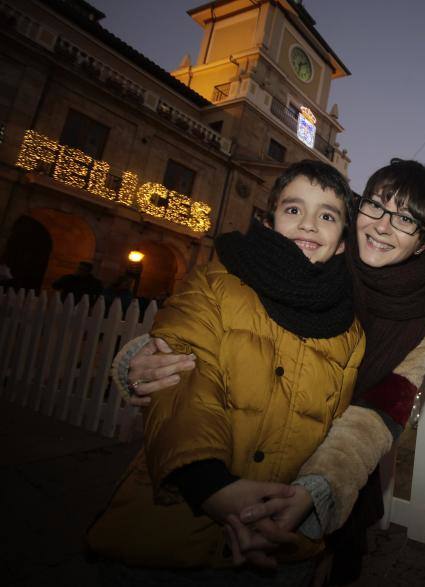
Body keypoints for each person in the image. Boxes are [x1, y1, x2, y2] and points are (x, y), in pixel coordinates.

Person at [113, 159, 425, 583]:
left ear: (424, 241)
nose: (383, 226)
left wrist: (316, 492)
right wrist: (144, 355)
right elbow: (214, 323)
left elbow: (381, 411)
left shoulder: (422, 312)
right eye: (377, 207)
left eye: (406, 219)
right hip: (201, 481)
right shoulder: (317, 256)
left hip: (322, 467)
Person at [87, 159, 365, 585]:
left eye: (327, 216)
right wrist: (211, 487)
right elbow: (182, 376)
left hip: (280, 541)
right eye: (294, 210)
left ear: (342, 242)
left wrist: (304, 506)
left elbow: (336, 431)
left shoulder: (349, 330)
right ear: (270, 222)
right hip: (176, 526)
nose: (309, 224)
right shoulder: (214, 283)